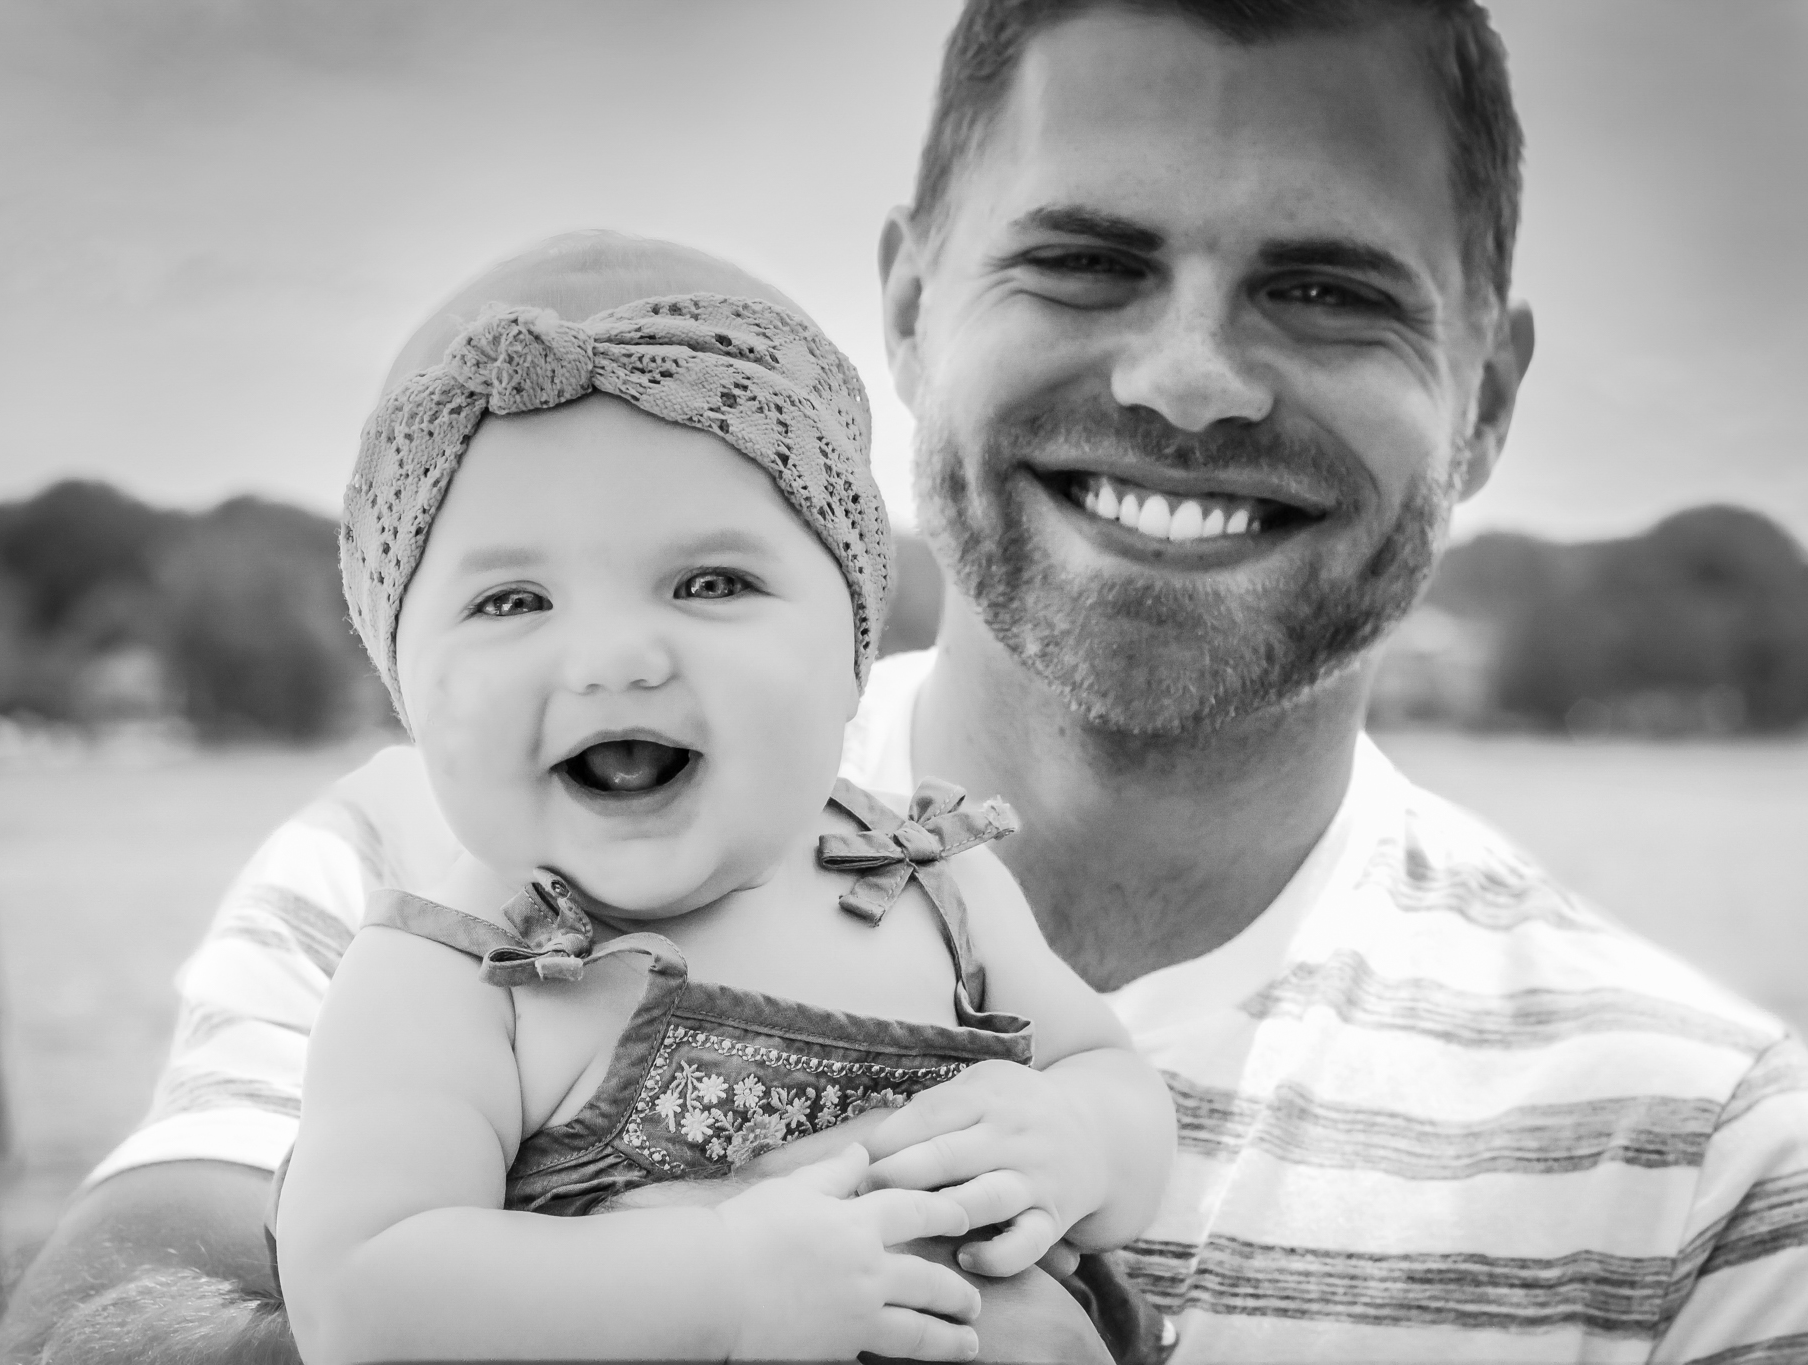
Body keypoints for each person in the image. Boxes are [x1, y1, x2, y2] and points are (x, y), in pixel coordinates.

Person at [0, 2, 1808, 1362]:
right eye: (1079, 261)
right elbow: (190, 1312)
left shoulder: (1724, 1175)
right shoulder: (409, 897)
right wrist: (692, 1296)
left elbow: (1092, 1093)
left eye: (1325, 289)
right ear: (904, 303)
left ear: (1484, 397)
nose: (1186, 382)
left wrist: (1070, 1150)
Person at [270, 247, 1175, 1364]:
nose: (611, 658)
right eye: (511, 599)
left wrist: (1079, 1137)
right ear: (406, 691)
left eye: (710, 583)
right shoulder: (453, 981)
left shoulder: (930, 881)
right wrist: (724, 1291)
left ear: (851, 653)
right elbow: (359, 1296)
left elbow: (1111, 1076)